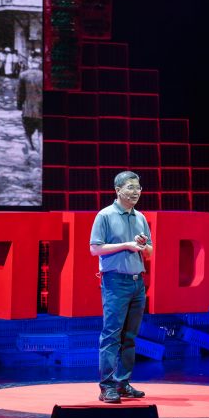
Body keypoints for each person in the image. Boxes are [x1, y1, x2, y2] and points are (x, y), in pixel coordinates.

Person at [89, 171, 153, 404]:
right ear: (118, 190)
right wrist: (126, 245)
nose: (136, 192)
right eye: (131, 187)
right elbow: (95, 249)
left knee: (130, 336)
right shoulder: (104, 215)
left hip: (138, 283)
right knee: (111, 335)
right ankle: (106, 386)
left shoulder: (141, 217)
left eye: (139, 188)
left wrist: (143, 245)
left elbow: (150, 252)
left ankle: (122, 382)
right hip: (115, 282)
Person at [16, 56, 43, 153]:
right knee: (41, 133)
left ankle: (29, 154)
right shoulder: (45, 75)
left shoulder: (23, 75)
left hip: (28, 110)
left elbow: (20, 93)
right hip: (41, 109)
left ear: (30, 63)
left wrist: (19, 106)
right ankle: (41, 154)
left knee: (27, 134)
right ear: (39, 64)